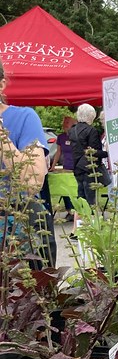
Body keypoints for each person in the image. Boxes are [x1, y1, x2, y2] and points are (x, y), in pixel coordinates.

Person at [0, 60, 56, 266]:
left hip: (15, 226)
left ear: (2, 84)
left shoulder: (24, 117)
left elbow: (33, 182)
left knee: (24, 293)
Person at [70, 103, 108, 206]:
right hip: (89, 169)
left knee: (80, 197)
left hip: (77, 167)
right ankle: (90, 220)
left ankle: (79, 220)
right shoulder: (91, 131)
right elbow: (94, 152)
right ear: (91, 116)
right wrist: (107, 153)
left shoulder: (72, 130)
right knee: (90, 199)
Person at [51, 115, 76, 220]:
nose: (64, 125)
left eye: (67, 123)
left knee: (74, 189)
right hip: (66, 166)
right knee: (64, 188)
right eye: (64, 123)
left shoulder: (76, 135)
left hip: (76, 167)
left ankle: (76, 211)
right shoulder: (61, 137)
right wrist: (53, 166)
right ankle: (69, 210)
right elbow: (58, 152)